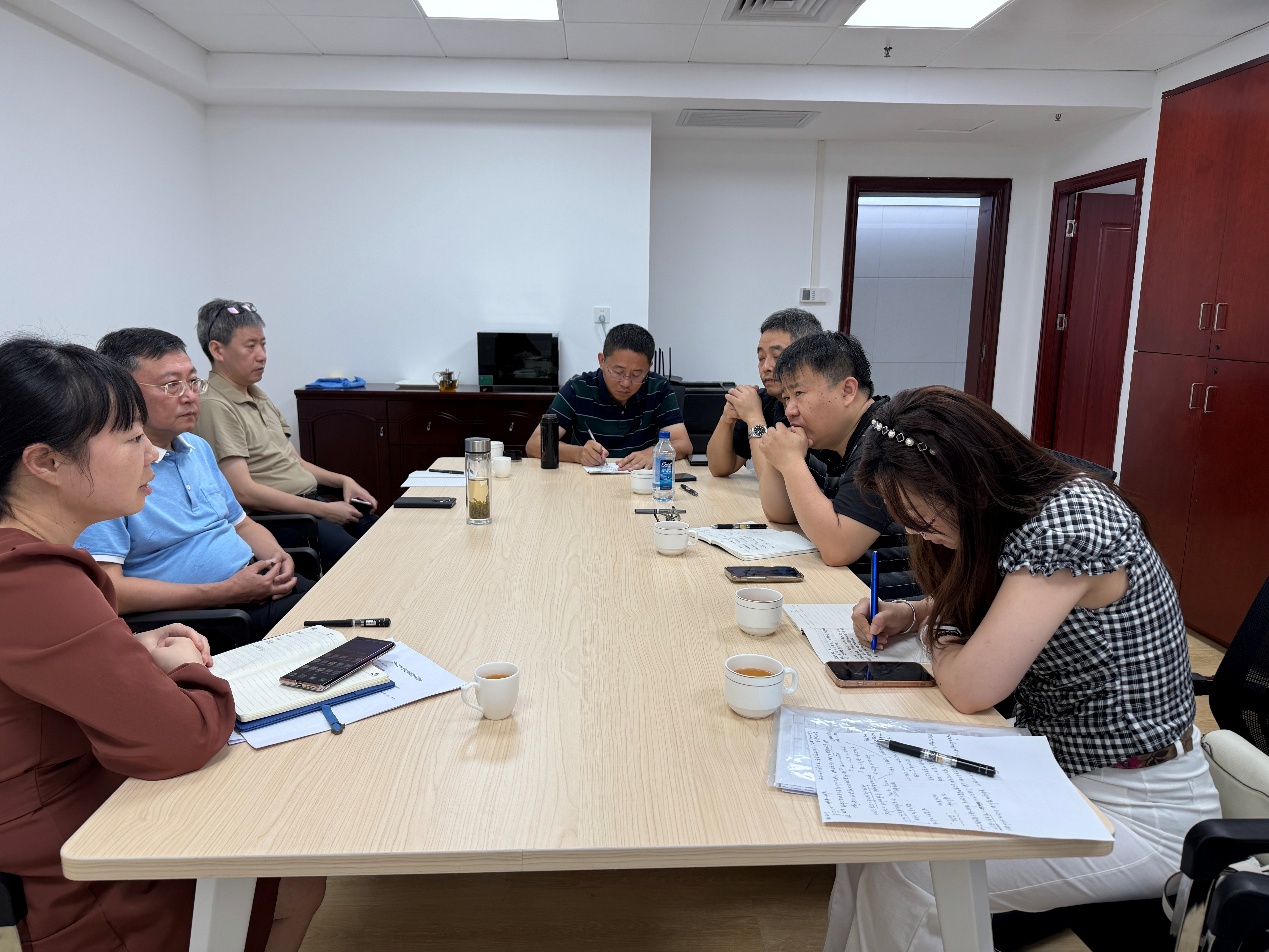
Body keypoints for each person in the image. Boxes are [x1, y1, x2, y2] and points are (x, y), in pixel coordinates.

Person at [823, 385, 1220, 952]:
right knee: (872, 836)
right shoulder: (1014, 511)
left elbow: (971, 688)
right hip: (1062, 770)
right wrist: (914, 613)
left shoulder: (1071, 523)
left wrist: (946, 630)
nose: (917, 534)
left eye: (923, 519)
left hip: (1143, 805)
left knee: (917, 875)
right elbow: (1002, 603)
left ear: (966, 484)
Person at [0, 336, 324, 952]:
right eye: (130, 438)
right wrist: (182, 670)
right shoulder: (30, 580)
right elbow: (180, 738)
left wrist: (134, 649)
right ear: (45, 462)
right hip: (83, 850)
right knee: (293, 865)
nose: (152, 452)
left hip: (90, 801)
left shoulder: (33, 563)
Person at [76, 328, 314, 641]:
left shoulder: (196, 447)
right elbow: (110, 591)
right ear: (123, 394)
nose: (190, 396)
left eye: (192, 381)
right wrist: (225, 592)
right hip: (213, 617)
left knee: (350, 602)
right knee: (335, 621)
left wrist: (278, 559)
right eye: (172, 385)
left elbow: (241, 524)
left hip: (252, 584)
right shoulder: (106, 474)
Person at [193, 299, 377, 572]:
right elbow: (243, 492)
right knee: (364, 561)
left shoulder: (256, 394)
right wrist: (325, 511)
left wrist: (343, 480)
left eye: (263, 344)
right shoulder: (214, 405)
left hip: (310, 505)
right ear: (217, 350)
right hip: (280, 518)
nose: (262, 355)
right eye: (250, 346)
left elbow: (295, 462)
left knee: (385, 534)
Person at [753, 332, 899, 566]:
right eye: (787, 397)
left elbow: (838, 549)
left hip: (877, 589)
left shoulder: (884, 440)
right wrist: (778, 458)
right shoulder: (825, 432)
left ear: (847, 390)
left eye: (799, 393)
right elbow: (780, 513)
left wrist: (791, 463)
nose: (790, 410)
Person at [525, 323, 692, 470]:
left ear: (649, 367)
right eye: (618, 372)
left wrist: (654, 453)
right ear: (602, 361)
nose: (626, 383)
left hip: (641, 479)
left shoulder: (659, 388)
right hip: (586, 482)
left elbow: (684, 444)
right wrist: (579, 453)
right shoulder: (578, 388)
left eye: (636, 374)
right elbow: (534, 445)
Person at [707, 308, 822, 478]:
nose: (766, 367)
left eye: (777, 356)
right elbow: (719, 468)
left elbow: (773, 482)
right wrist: (727, 419)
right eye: (761, 358)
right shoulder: (763, 401)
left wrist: (754, 419)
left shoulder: (818, 410)